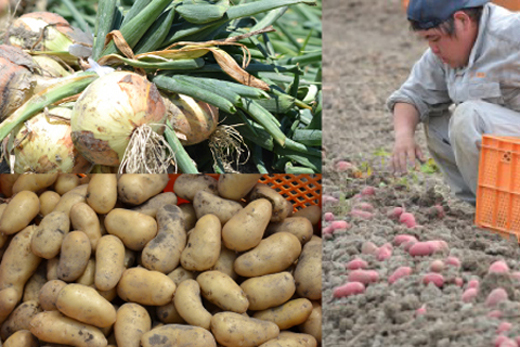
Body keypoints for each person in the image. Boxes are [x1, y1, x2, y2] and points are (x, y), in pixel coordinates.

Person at [387, 0, 520, 204]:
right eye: (427, 40)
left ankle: (502, 207)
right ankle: (484, 206)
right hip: (507, 152)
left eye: (435, 38)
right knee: (434, 116)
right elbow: (412, 95)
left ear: (462, 21)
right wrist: (403, 136)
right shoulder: (441, 56)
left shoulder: (511, 33)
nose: (434, 49)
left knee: (468, 115)